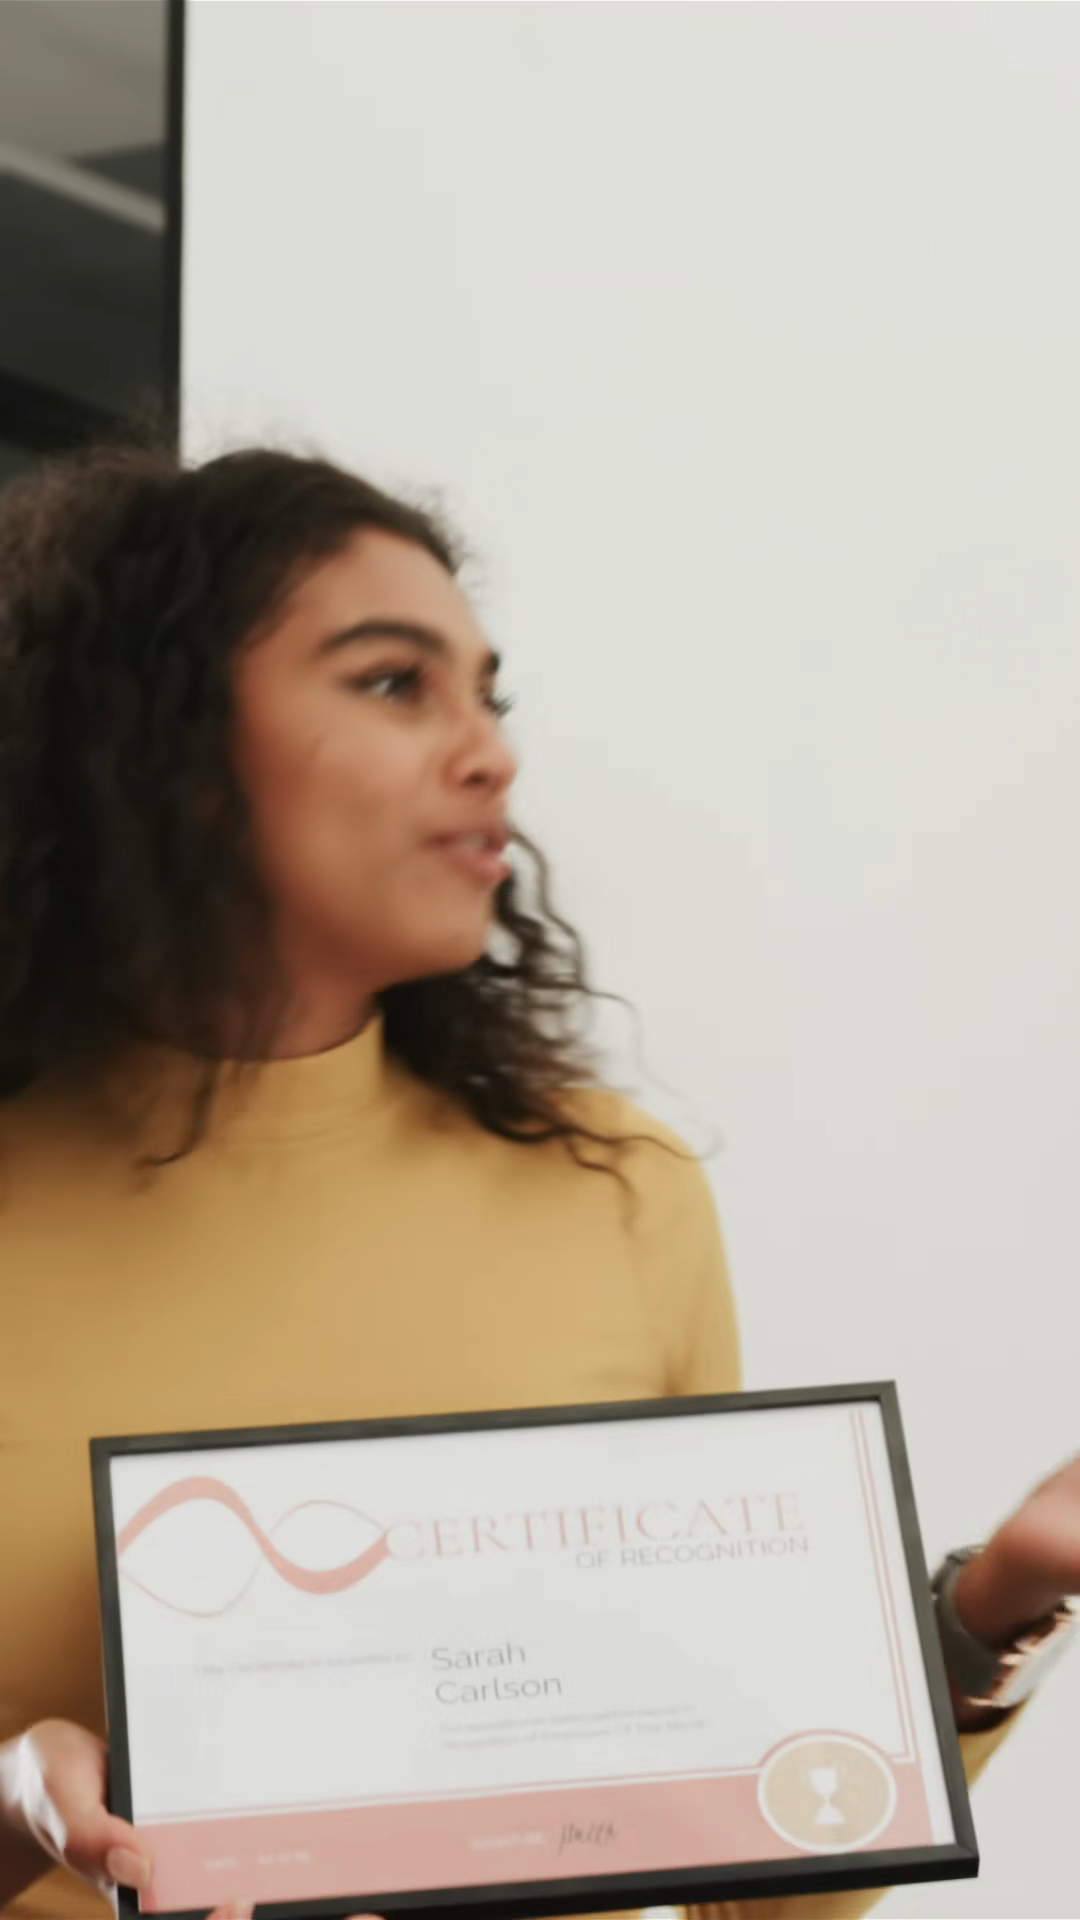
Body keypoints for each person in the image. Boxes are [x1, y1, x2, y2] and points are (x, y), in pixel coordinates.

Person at [0, 438, 1074, 1920]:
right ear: (154, 740)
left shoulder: (618, 1195)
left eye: (488, 697)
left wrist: (994, 1607)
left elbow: (744, 1884)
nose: (489, 753)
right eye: (394, 683)